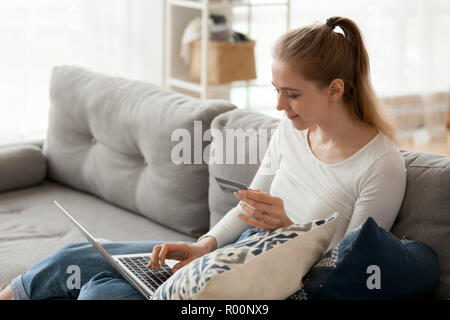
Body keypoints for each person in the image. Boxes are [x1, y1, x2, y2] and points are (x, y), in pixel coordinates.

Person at [0, 16, 406, 300]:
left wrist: (288, 228)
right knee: (80, 261)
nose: (279, 105)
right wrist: (205, 245)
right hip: (236, 253)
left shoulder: (380, 165)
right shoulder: (292, 131)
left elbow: (345, 269)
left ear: (335, 89)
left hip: (278, 282)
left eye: (292, 93)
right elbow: (249, 207)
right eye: (276, 89)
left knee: (100, 294)